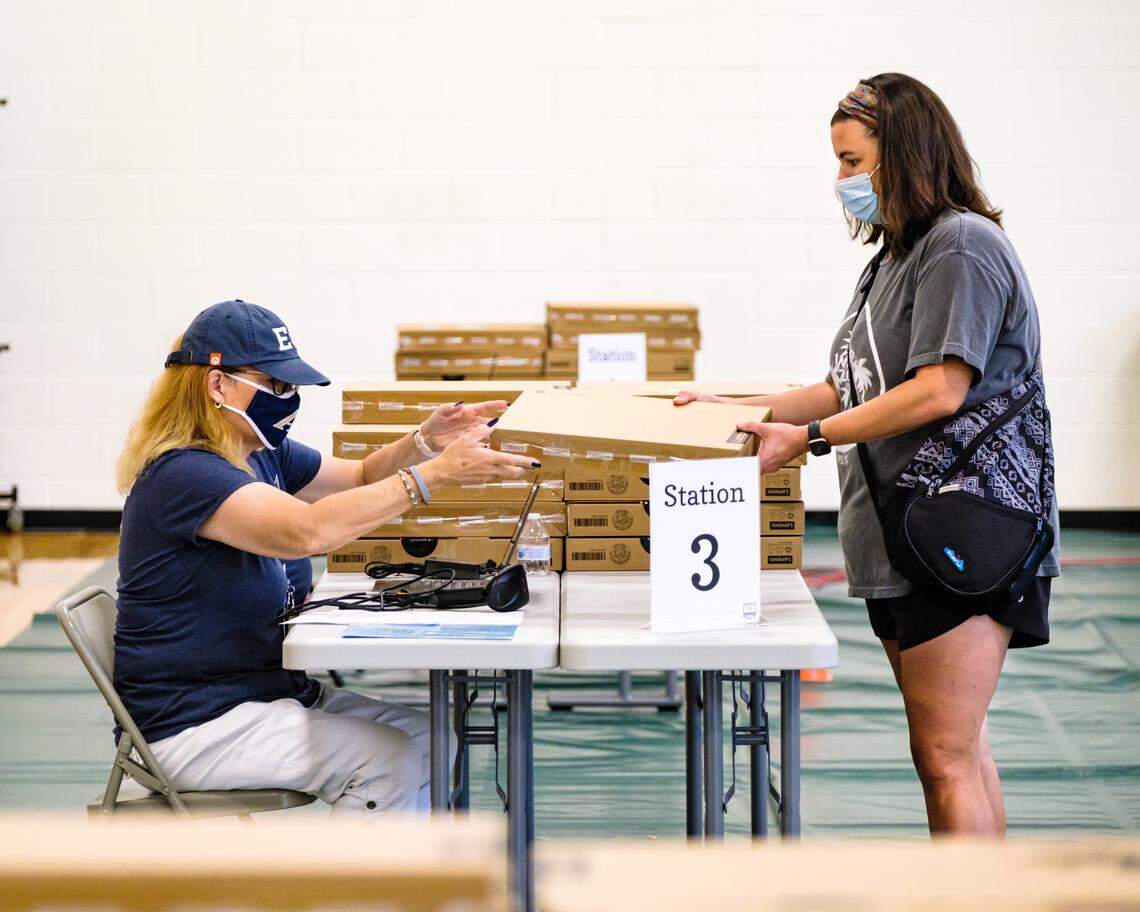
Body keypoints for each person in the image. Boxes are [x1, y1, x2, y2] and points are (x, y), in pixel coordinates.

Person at [676, 73, 1059, 836]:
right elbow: (843, 385)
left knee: (946, 755)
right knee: (959, 749)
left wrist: (807, 440)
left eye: (853, 162)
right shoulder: (892, 260)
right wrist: (743, 409)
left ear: (906, 154)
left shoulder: (960, 247)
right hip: (903, 533)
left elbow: (939, 390)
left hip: (962, 529)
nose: (843, 181)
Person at [113, 299, 537, 815]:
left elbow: (360, 477)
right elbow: (305, 532)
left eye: (291, 387)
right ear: (217, 384)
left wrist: (424, 442)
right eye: (275, 385)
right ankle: (358, 890)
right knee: (386, 759)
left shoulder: (258, 453)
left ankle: (411, 883)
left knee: (431, 738)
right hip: (194, 723)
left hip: (261, 693)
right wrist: (436, 475)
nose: (288, 399)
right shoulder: (184, 474)